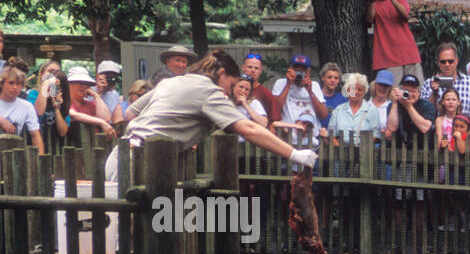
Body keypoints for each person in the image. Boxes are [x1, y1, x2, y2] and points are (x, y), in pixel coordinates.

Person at [108, 49, 318, 183]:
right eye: (232, 84)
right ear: (221, 74)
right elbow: (250, 128)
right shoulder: (210, 91)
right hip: (143, 164)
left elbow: (130, 112)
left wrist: (179, 129)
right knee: (129, 242)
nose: (230, 91)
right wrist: (294, 154)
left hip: (120, 155)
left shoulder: (171, 81)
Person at [367, 0, 423, 85]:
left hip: (409, 54)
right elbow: (369, 20)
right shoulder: (372, 2)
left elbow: (405, 15)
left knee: (416, 92)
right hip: (387, 57)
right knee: (393, 95)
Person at [271, 55, 329, 136]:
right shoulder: (281, 83)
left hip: (311, 138)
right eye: (296, 71)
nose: (299, 75)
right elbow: (275, 110)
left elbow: (324, 115)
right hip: (288, 137)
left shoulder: (314, 86)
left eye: (303, 72)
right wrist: (288, 84)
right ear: (290, 69)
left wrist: (310, 91)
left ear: (309, 71)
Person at [419, 43, 470, 115]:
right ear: (438, 62)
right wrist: (434, 93)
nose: (447, 65)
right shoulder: (428, 84)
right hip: (439, 125)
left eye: (450, 61)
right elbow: (424, 113)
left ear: (456, 61)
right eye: (443, 62)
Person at [65, 66, 117, 145]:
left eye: (86, 84)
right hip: (74, 146)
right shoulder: (65, 101)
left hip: (93, 145)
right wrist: (101, 122)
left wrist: (96, 95)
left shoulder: (89, 103)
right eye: (80, 83)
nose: (84, 86)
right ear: (69, 84)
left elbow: (106, 118)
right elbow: (73, 114)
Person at [327, 73, 384, 142]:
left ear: (364, 91)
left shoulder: (372, 110)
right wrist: (341, 150)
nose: (356, 92)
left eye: (359, 89)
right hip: (341, 150)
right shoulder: (338, 110)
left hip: (365, 151)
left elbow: (375, 135)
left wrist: (363, 150)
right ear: (347, 90)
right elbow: (331, 135)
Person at [0, 66, 44, 154]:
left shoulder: (27, 106)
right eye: (11, 83)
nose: (15, 87)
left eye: (18, 84)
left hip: (11, 154)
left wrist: (40, 160)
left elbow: (35, 135)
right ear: (2, 84)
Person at [241, 53, 276, 118]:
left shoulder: (267, 95)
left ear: (260, 71)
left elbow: (272, 122)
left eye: (256, 68)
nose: (253, 70)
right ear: (243, 68)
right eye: (250, 67)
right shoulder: (235, 90)